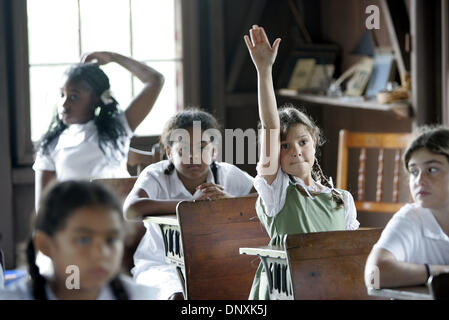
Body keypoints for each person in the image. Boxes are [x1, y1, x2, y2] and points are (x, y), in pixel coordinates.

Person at [244, 25, 359, 299]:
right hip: (284, 291)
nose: (295, 151)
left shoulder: (342, 199)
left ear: (315, 144)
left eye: (302, 142)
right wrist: (264, 71)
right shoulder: (277, 193)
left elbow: (352, 251)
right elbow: (271, 126)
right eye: (285, 146)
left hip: (328, 290)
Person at [123, 108, 255, 300]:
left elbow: (264, 203)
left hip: (215, 262)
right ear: (169, 152)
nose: (193, 156)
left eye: (202, 147)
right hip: (161, 265)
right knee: (178, 297)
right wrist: (190, 203)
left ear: (214, 151)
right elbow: (131, 209)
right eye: (183, 148)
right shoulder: (156, 175)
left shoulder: (227, 174)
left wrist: (230, 202)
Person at [33, 51, 164, 211]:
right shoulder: (51, 143)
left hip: (119, 218)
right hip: (75, 222)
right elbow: (42, 206)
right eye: (62, 95)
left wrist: (113, 57)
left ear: (96, 99)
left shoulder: (118, 128)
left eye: (74, 97)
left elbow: (155, 80)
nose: (64, 104)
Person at [0, 180, 160, 300]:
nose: (101, 253)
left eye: (111, 240)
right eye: (83, 240)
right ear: (45, 245)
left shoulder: (143, 296)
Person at [365, 126, 449, 289]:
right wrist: (442, 273)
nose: (419, 181)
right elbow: (373, 277)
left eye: (432, 170)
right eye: (414, 171)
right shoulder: (410, 218)